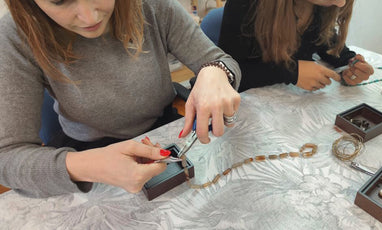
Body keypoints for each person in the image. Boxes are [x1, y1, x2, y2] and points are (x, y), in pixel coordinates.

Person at [0, 0, 241, 198]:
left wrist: (215, 72)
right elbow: (7, 159)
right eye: (58, 1)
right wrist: (89, 167)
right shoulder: (16, 36)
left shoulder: (153, 6)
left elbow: (222, 62)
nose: (89, 16)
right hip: (85, 151)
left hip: (164, 126)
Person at [218, 0, 374, 92]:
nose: (341, 3)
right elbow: (227, 73)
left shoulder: (320, 7)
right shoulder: (247, 5)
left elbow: (329, 46)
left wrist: (352, 64)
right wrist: (292, 73)